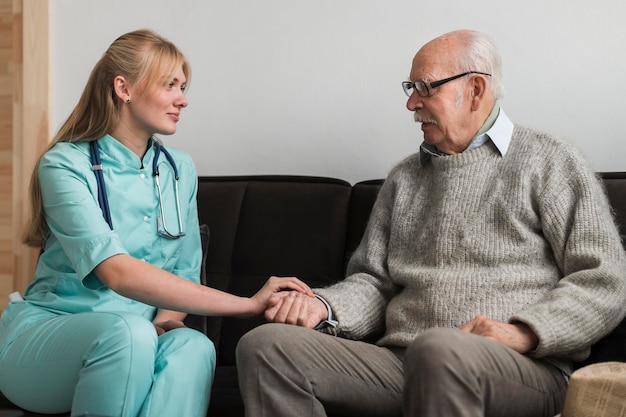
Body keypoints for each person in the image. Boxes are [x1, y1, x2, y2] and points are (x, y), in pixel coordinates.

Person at [235, 29, 626, 417]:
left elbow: (605, 279)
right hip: (401, 362)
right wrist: (324, 306)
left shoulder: (550, 161)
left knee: (438, 350)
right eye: (410, 86)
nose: (411, 103)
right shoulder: (405, 179)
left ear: (475, 89)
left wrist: (525, 332)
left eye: (425, 87)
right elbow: (374, 282)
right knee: (266, 347)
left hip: (521, 369)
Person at [0, 29, 311, 417]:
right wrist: (247, 305)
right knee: (128, 333)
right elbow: (117, 272)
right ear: (123, 88)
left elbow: (183, 267)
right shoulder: (65, 164)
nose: (183, 98)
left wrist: (166, 321)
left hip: (138, 337)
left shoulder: (179, 170)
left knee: (193, 347)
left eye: (183, 86)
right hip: (46, 342)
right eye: (170, 85)